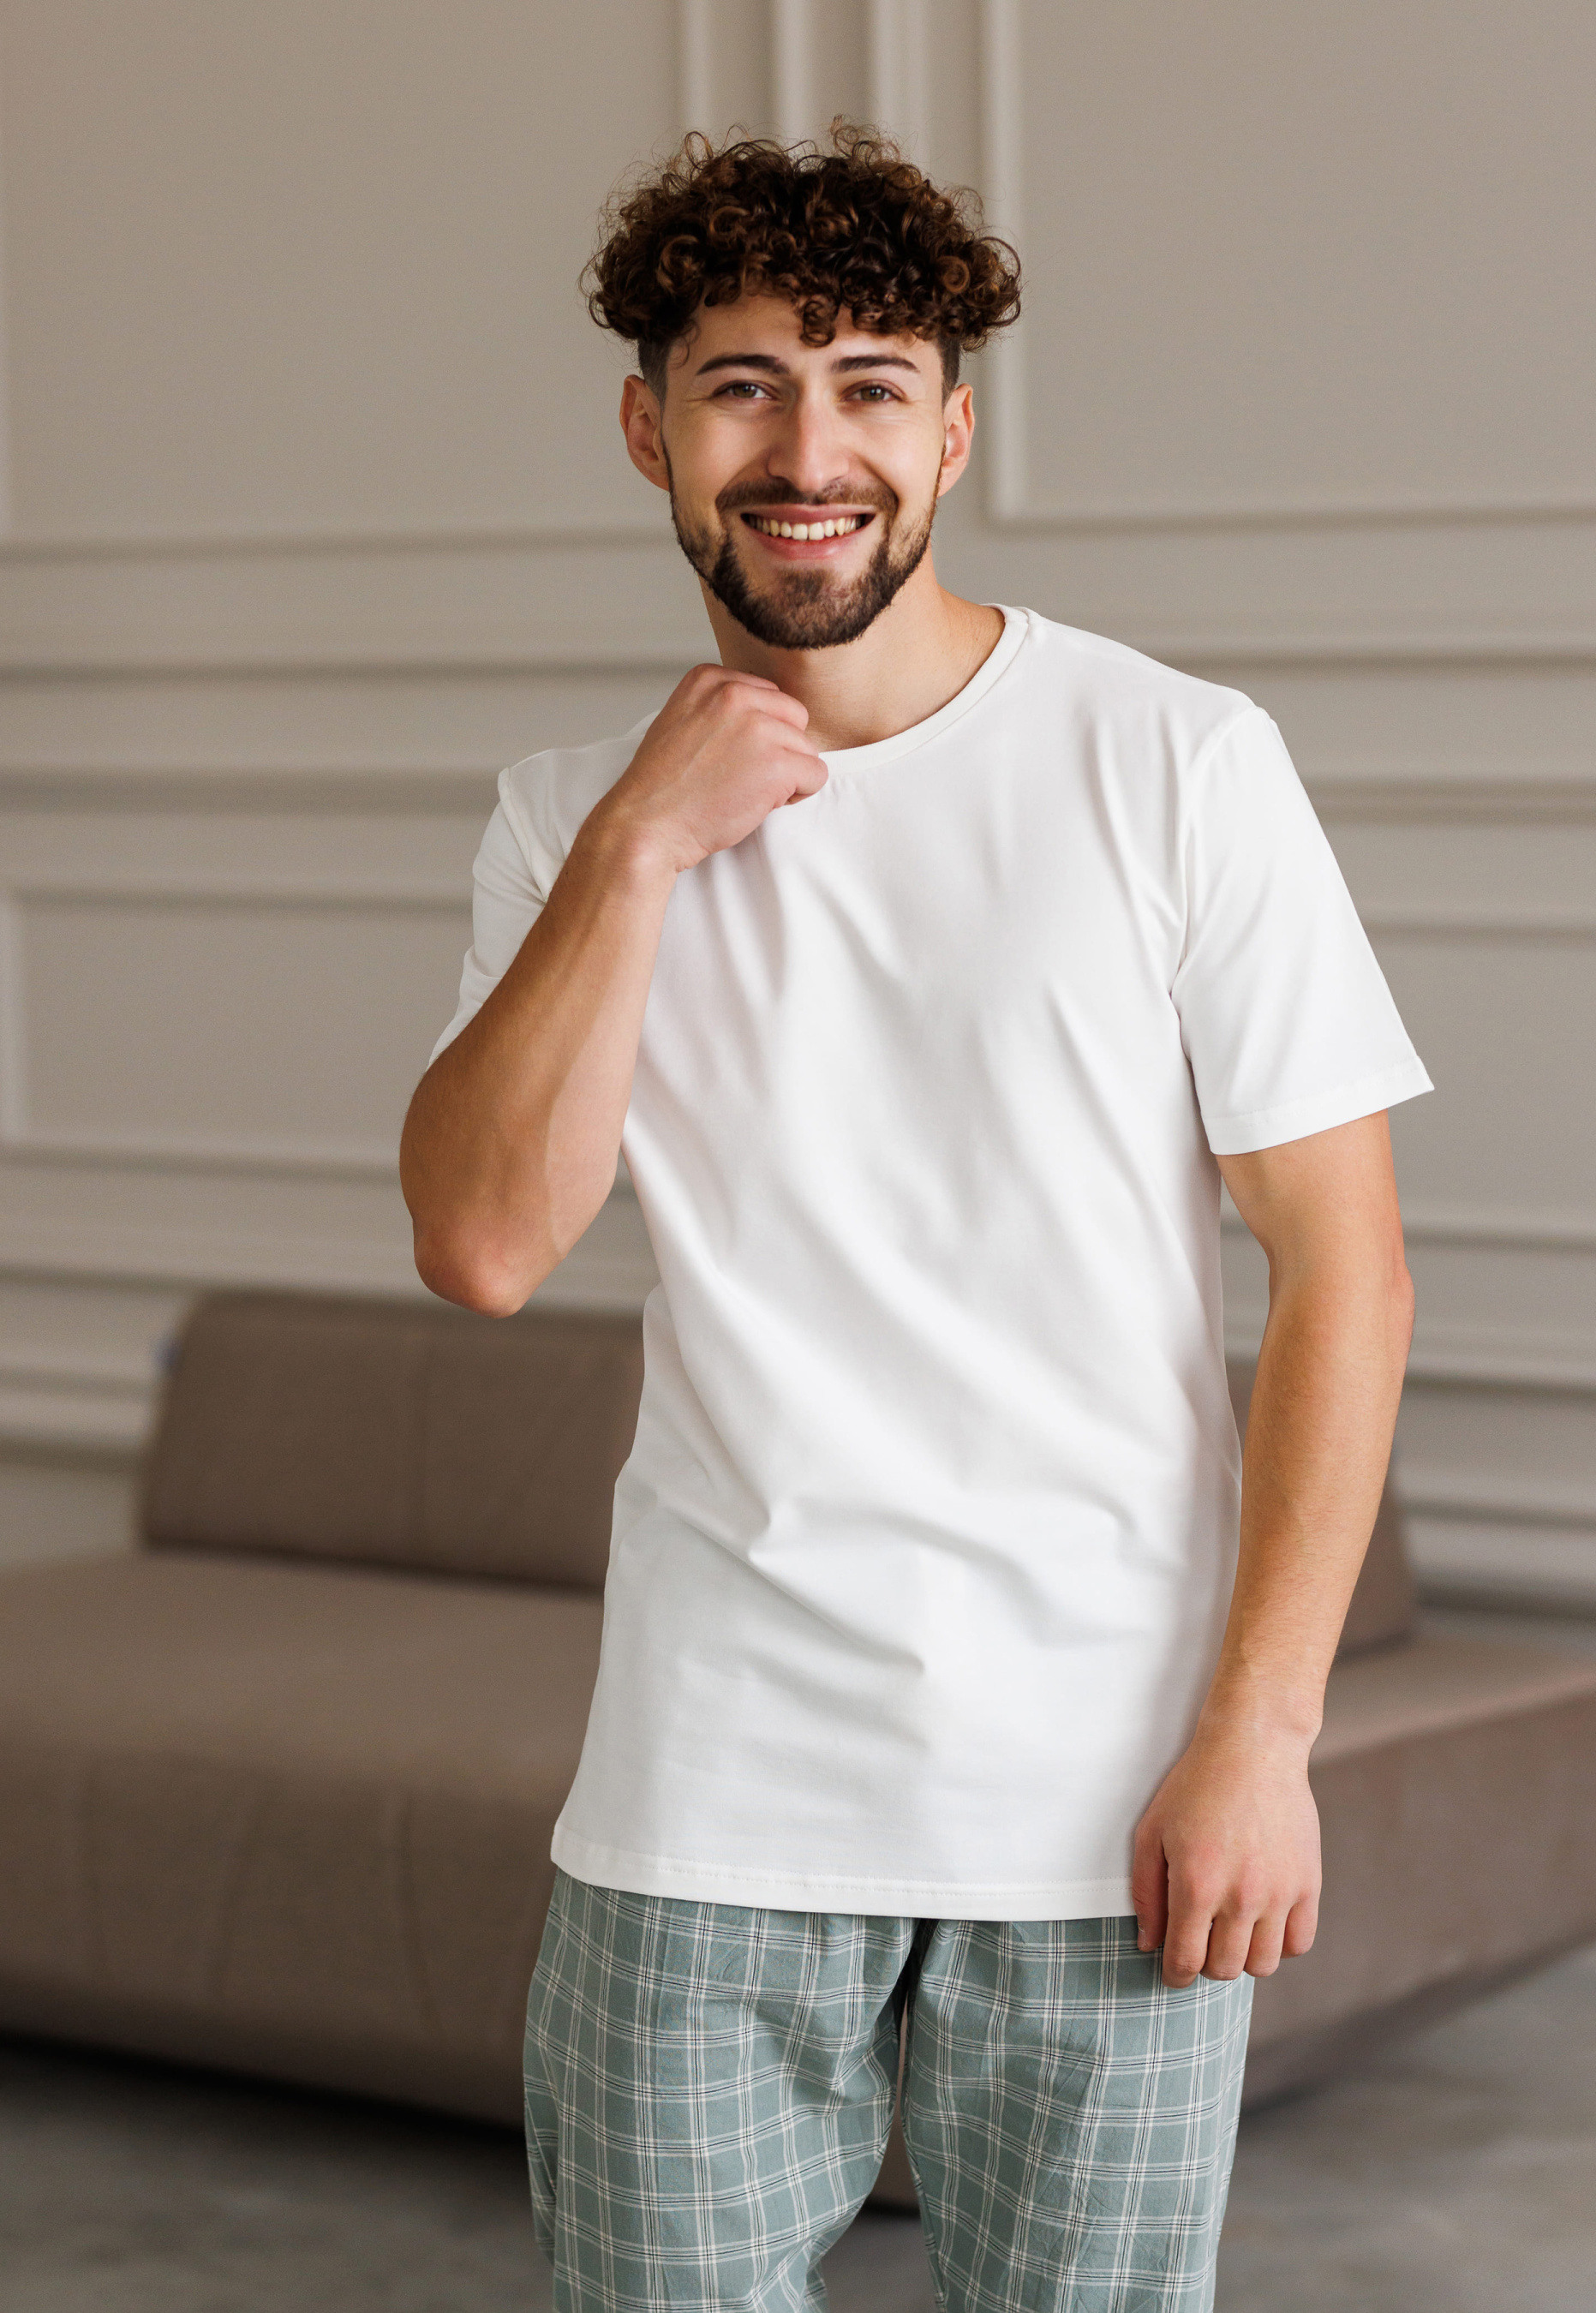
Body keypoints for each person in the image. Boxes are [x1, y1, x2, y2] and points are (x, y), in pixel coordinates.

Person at [400, 122, 1431, 2313]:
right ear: (648, 432)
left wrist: (1260, 1739)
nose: (807, 453)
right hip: (704, 1796)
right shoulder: (563, 825)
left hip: (1107, 1798)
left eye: (868, 386)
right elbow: (484, 1246)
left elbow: (1341, 1263)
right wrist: (641, 848)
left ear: (949, 432)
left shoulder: (1173, 761)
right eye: (742, 387)